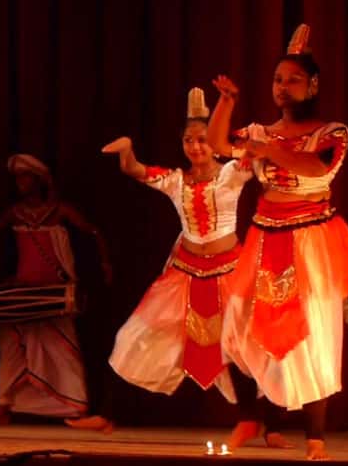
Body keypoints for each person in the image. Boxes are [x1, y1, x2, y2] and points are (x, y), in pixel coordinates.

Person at [76, 88, 290, 445]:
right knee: (133, 336)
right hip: (185, 274)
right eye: (189, 140)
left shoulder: (231, 173)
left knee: (248, 346)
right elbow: (133, 169)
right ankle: (106, 413)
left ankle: (269, 425)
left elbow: (257, 158)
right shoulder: (175, 180)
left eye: (203, 140)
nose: (196, 147)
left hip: (230, 272)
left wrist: (255, 137)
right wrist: (127, 148)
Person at [207, 25, 348, 460]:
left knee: (313, 333)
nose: (282, 87)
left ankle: (315, 436)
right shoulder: (262, 131)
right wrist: (226, 103)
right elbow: (219, 143)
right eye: (278, 79)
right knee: (237, 326)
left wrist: (267, 149)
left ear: (313, 85)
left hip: (310, 238)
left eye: (293, 79)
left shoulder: (334, 132)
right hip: (265, 234)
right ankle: (253, 416)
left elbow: (315, 169)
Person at [0, 154, 112, 426]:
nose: (21, 183)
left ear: (39, 181)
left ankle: (77, 410)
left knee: (62, 350)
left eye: (26, 177)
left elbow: (93, 232)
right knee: (11, 348)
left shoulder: (59, 210)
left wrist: (105, 262)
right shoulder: (15, 213)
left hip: (53, 290)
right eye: (17, 178)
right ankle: (4, 407)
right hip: (25, 289)